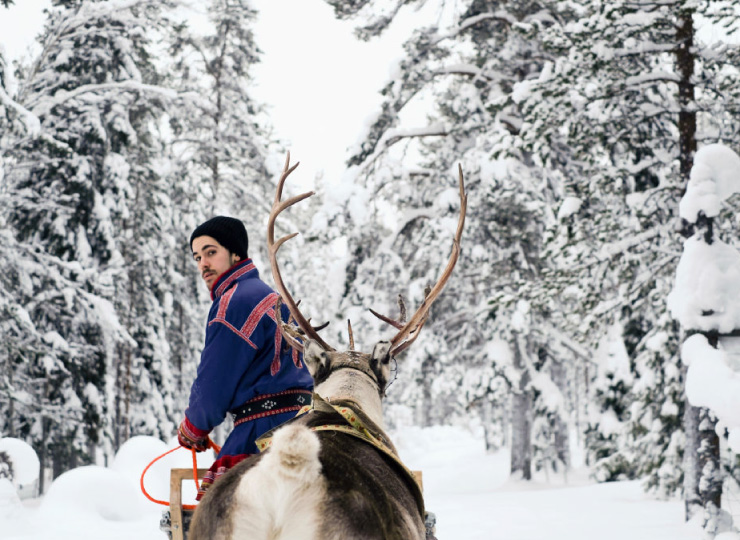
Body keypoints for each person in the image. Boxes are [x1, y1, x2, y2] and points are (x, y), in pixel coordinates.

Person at [178, 215, 314, 500]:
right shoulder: (272, 298)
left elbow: (214, 383)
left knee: (215, 518)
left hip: (260, 434)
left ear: (235, 252)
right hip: (306, 427)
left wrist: (193, 427)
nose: (203, 264)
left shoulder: (233, 303)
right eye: (197, 257)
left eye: (211, 252)